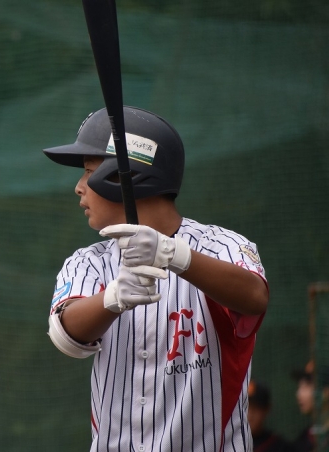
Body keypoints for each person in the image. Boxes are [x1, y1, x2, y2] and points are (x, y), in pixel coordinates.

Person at [43, 106, 269, 451]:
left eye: (89, 171)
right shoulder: (90, 262)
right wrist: (112, 298)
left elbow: (255, 297)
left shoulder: (221, 246)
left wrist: (172, 254)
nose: (78, 188)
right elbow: (66, 336)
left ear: (128, 175)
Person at [247, 379, 293, 452]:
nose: (250, 414)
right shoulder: (229, 442)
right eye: (246, 408)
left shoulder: (279, 447)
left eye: (256, 408)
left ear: (267, 409)